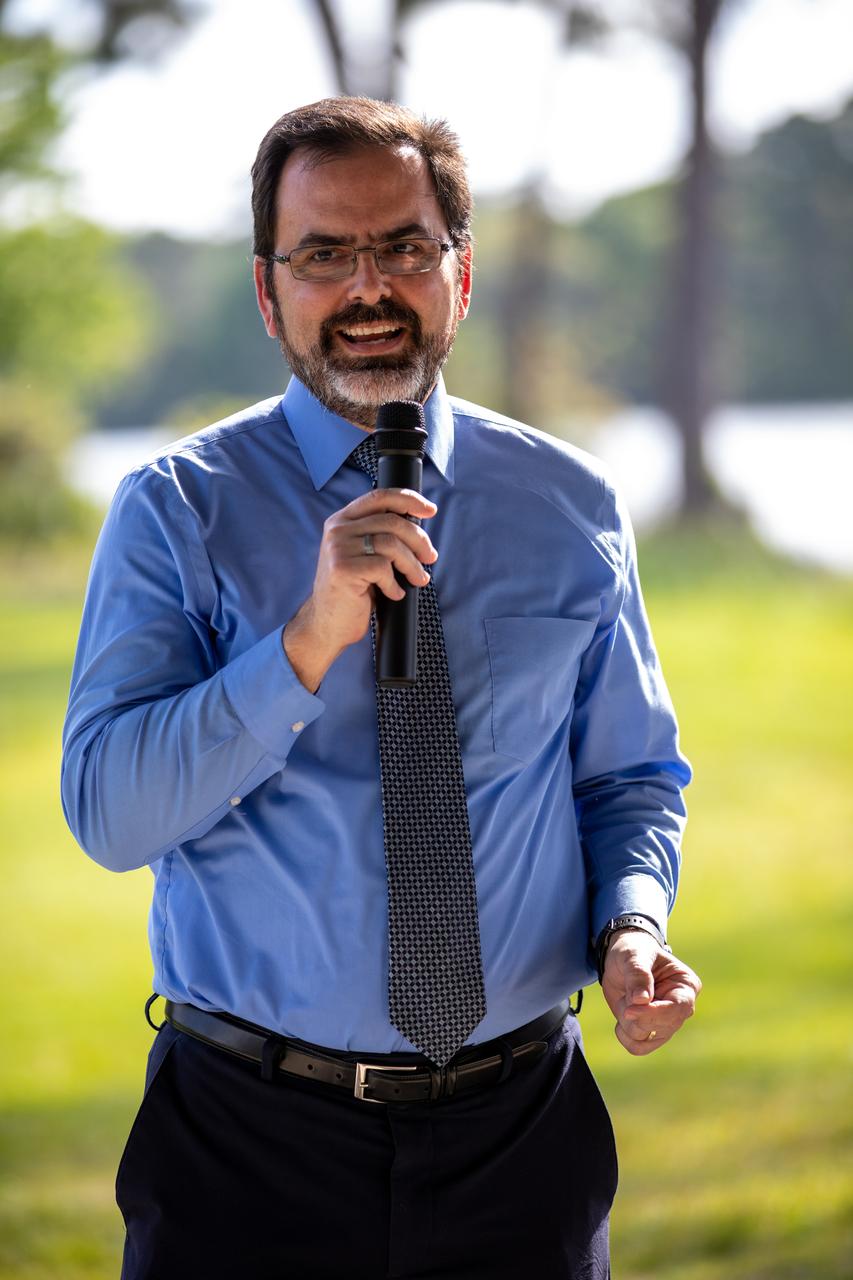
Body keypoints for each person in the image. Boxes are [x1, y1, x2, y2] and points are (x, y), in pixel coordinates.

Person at [61, 96, 701, 1280]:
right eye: (323, 254)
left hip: (522, 1137)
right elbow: (109, 811)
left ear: (459, 274)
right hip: (243, 1143)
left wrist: (631, 922)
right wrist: (304, 639)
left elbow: (629, 777)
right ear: (269, 292)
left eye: (404, 246)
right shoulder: (175, 509)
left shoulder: (571, 506)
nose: (368, 287)